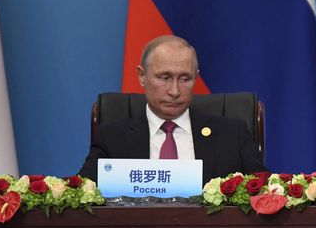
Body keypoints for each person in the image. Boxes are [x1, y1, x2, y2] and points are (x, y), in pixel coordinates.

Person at [79, 35, 267, 184]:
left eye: (185, 78)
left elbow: (267, 193)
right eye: (165, 77)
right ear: (142, 76)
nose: (175, 91)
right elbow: (81, 197)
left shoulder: (232, 134)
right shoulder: (112, 138)